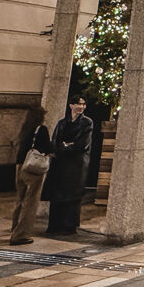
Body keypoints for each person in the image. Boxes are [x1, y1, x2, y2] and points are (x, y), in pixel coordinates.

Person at [42, 96, 93, 235]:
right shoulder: (62, 123)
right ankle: (55, 224)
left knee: (72, 195)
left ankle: (69, 225)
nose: (81, 107)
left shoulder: (87, 123)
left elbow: (82, 144)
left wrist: (65, 147)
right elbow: (55, 141)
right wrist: (63, 146)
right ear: (71, 105)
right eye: (78, 104)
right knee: (57, 194)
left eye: (83, 104)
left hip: (76, 164)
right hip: (61, 163)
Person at [11, 105, 53, 245]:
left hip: (20, 166)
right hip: (32, 168)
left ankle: (14, 229)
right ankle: (21, 234)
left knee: (20, 200)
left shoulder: (24, 128)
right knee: (31, 201)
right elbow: (47, 147)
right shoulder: (41, 129)